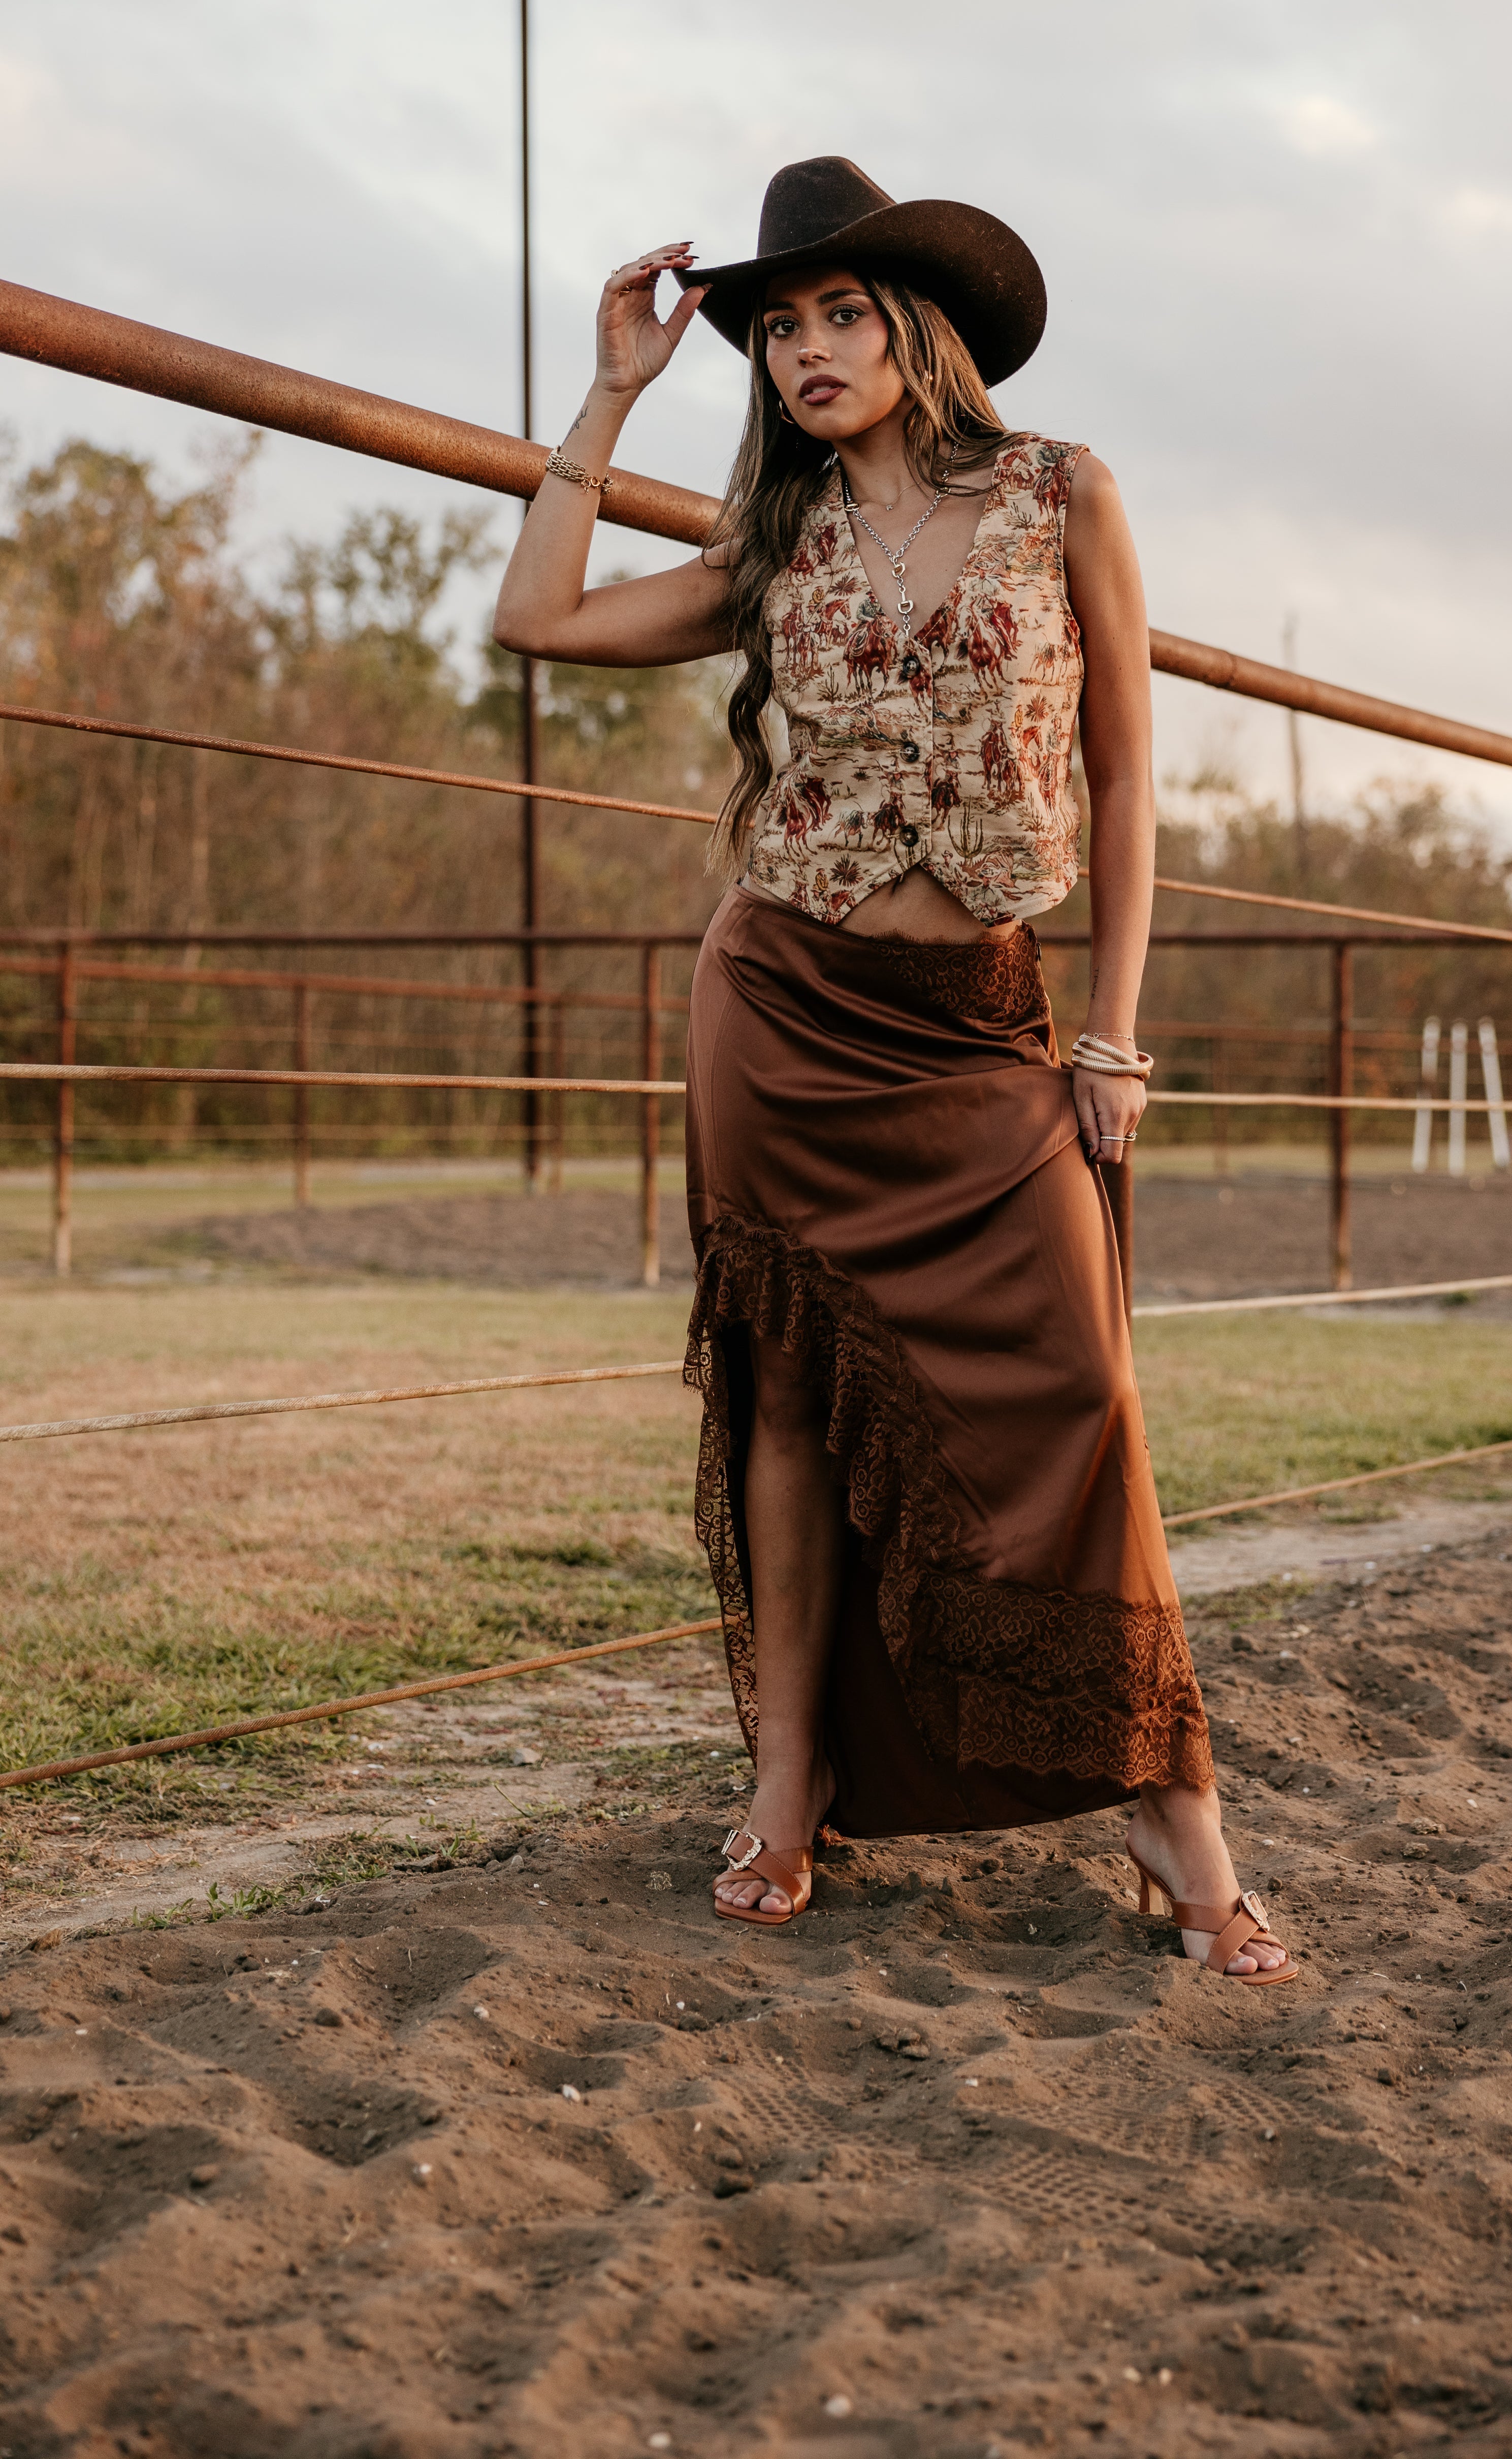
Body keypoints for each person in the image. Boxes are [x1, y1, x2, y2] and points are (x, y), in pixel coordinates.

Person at [493, 157, 1294, 1985]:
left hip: (984, 1026)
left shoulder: (1059, 492)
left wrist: (1113, 1034)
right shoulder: (769, 550)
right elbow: (536, 617)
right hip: (783, 1009)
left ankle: (1181, 1820)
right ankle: (787, 1785)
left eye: (839, 314)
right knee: (785, 1394)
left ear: (919, 330)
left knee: (1082, 1387)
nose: (804, 353)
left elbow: (1121, 771)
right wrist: (615, 386)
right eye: (775, 331)